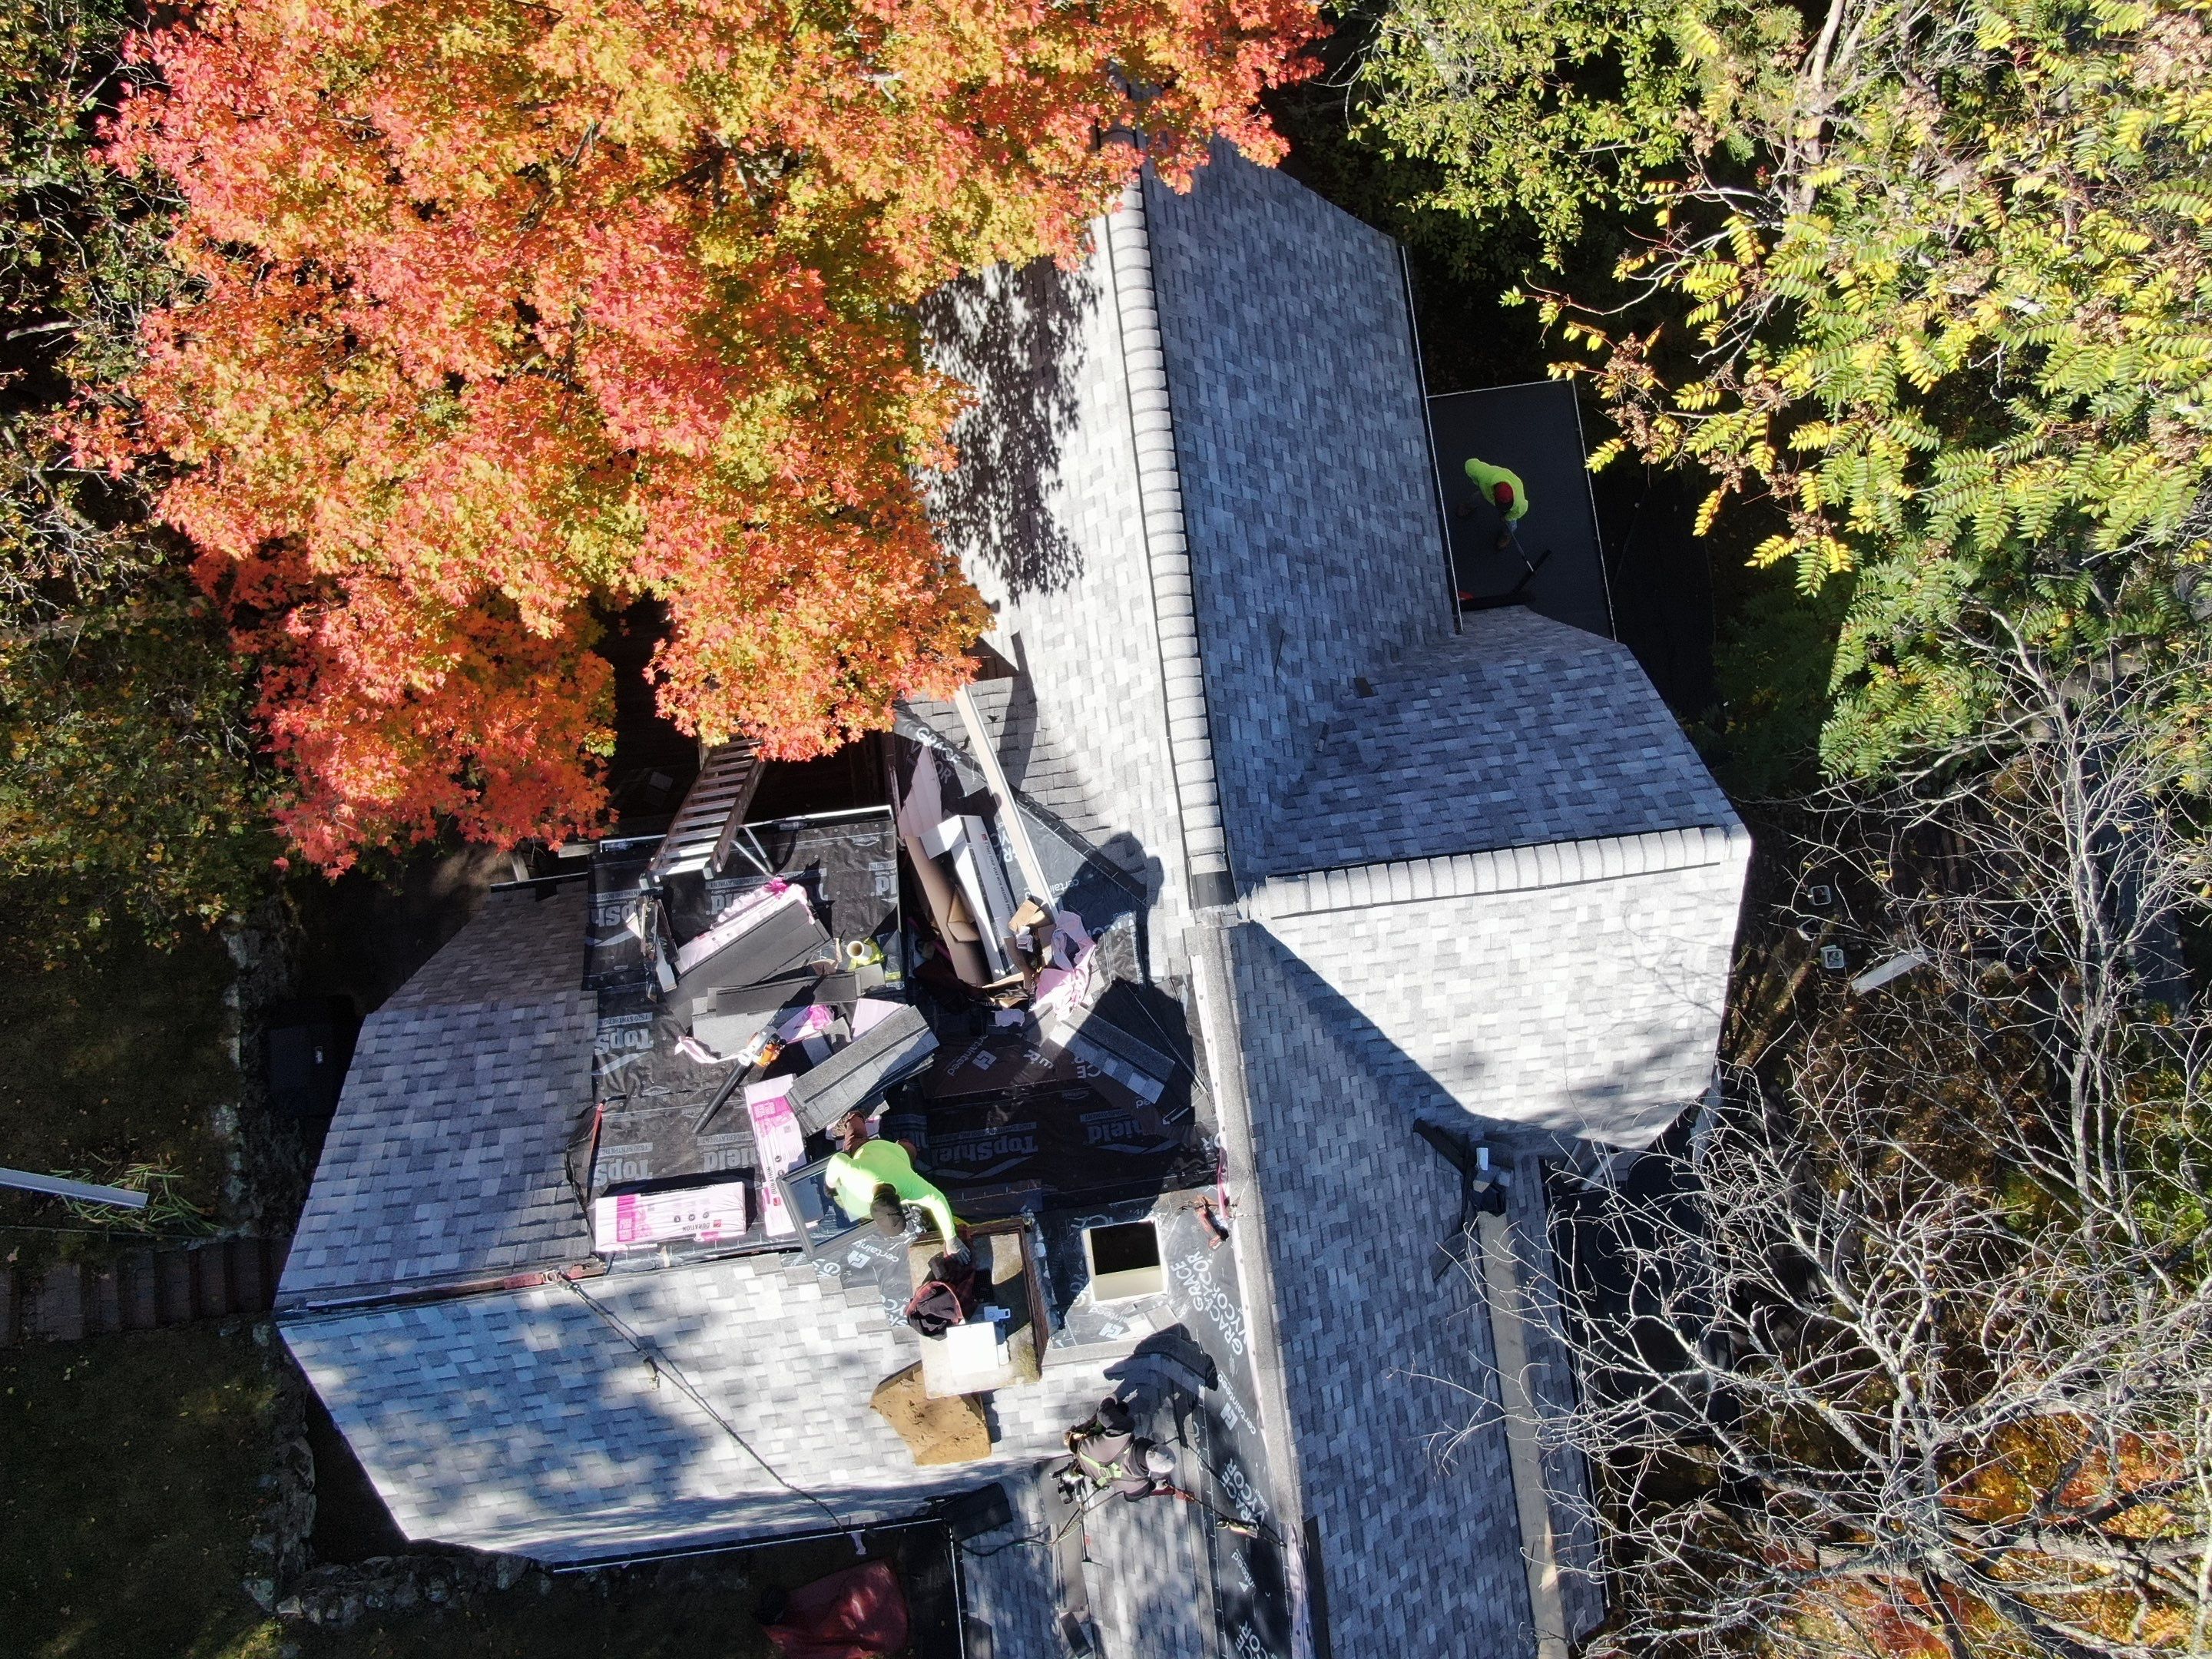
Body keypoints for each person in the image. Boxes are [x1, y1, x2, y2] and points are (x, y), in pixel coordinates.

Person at [823, 1134, 959, 1248]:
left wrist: (951, 1239)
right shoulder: (856, 1180)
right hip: (870, 1148)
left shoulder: (910, 1184)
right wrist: (831, 1184)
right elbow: (838, 1159)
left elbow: (938, 1200)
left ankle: (903, 1142)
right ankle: (856, 1119)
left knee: (909, 1149)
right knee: (855, 1138)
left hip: (894, 1151)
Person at [1462, 456, 1529, 550]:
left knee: (1511, 525)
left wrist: (1507, 517)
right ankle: (1468, 506)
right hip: (1487, 492)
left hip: (1492, 494)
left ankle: (1507, 535)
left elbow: (1519, 512)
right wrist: (1478, 481)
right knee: (1476, 498)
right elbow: (1471, 465)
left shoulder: (1519, 503)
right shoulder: (1485, 475)